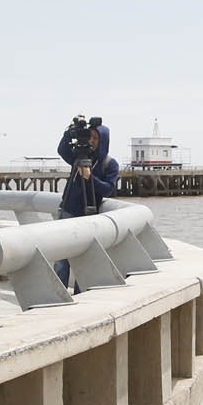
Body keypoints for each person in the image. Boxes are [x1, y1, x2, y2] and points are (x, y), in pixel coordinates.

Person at [54, 116, 118, 289]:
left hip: (88, 215)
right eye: (90, 136)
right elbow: (62, 150)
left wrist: (90, 178)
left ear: (104, 140)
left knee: (83, 260)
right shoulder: (79, 156)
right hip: (67, 211)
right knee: (61, 259)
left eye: (96, 138)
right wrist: (70, 132)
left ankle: (80, 294)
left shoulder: (109, 164)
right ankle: (59, 293)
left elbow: (108, 189)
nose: (91, 141)